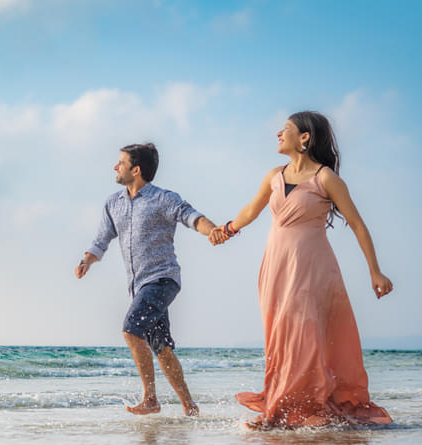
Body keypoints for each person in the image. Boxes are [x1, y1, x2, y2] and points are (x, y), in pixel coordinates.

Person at [210, 111, 393, 428]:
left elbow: (358, 225)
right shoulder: (273, 176)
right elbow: (250, 212)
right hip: (276, 267)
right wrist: (225, 230)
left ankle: (294, 410)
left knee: (303, 337)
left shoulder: (326, 179)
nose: (278, 134)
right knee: (279, 336)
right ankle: (284, 407)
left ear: (304, 138)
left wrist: (375, 272)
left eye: (286, 129)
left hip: (312, 268)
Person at [75, 143, 216, 416]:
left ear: (136, 170)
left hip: (162, 279)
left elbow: (192, 217)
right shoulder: (113, 203)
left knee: (131, 329)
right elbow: (101, 240)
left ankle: (150, 399)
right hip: (139, 286)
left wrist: (213, 231)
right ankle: (190, 407)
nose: (115, 167)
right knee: (160, 346)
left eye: (121, 163)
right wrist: (86, 261)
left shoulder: (163, 199)